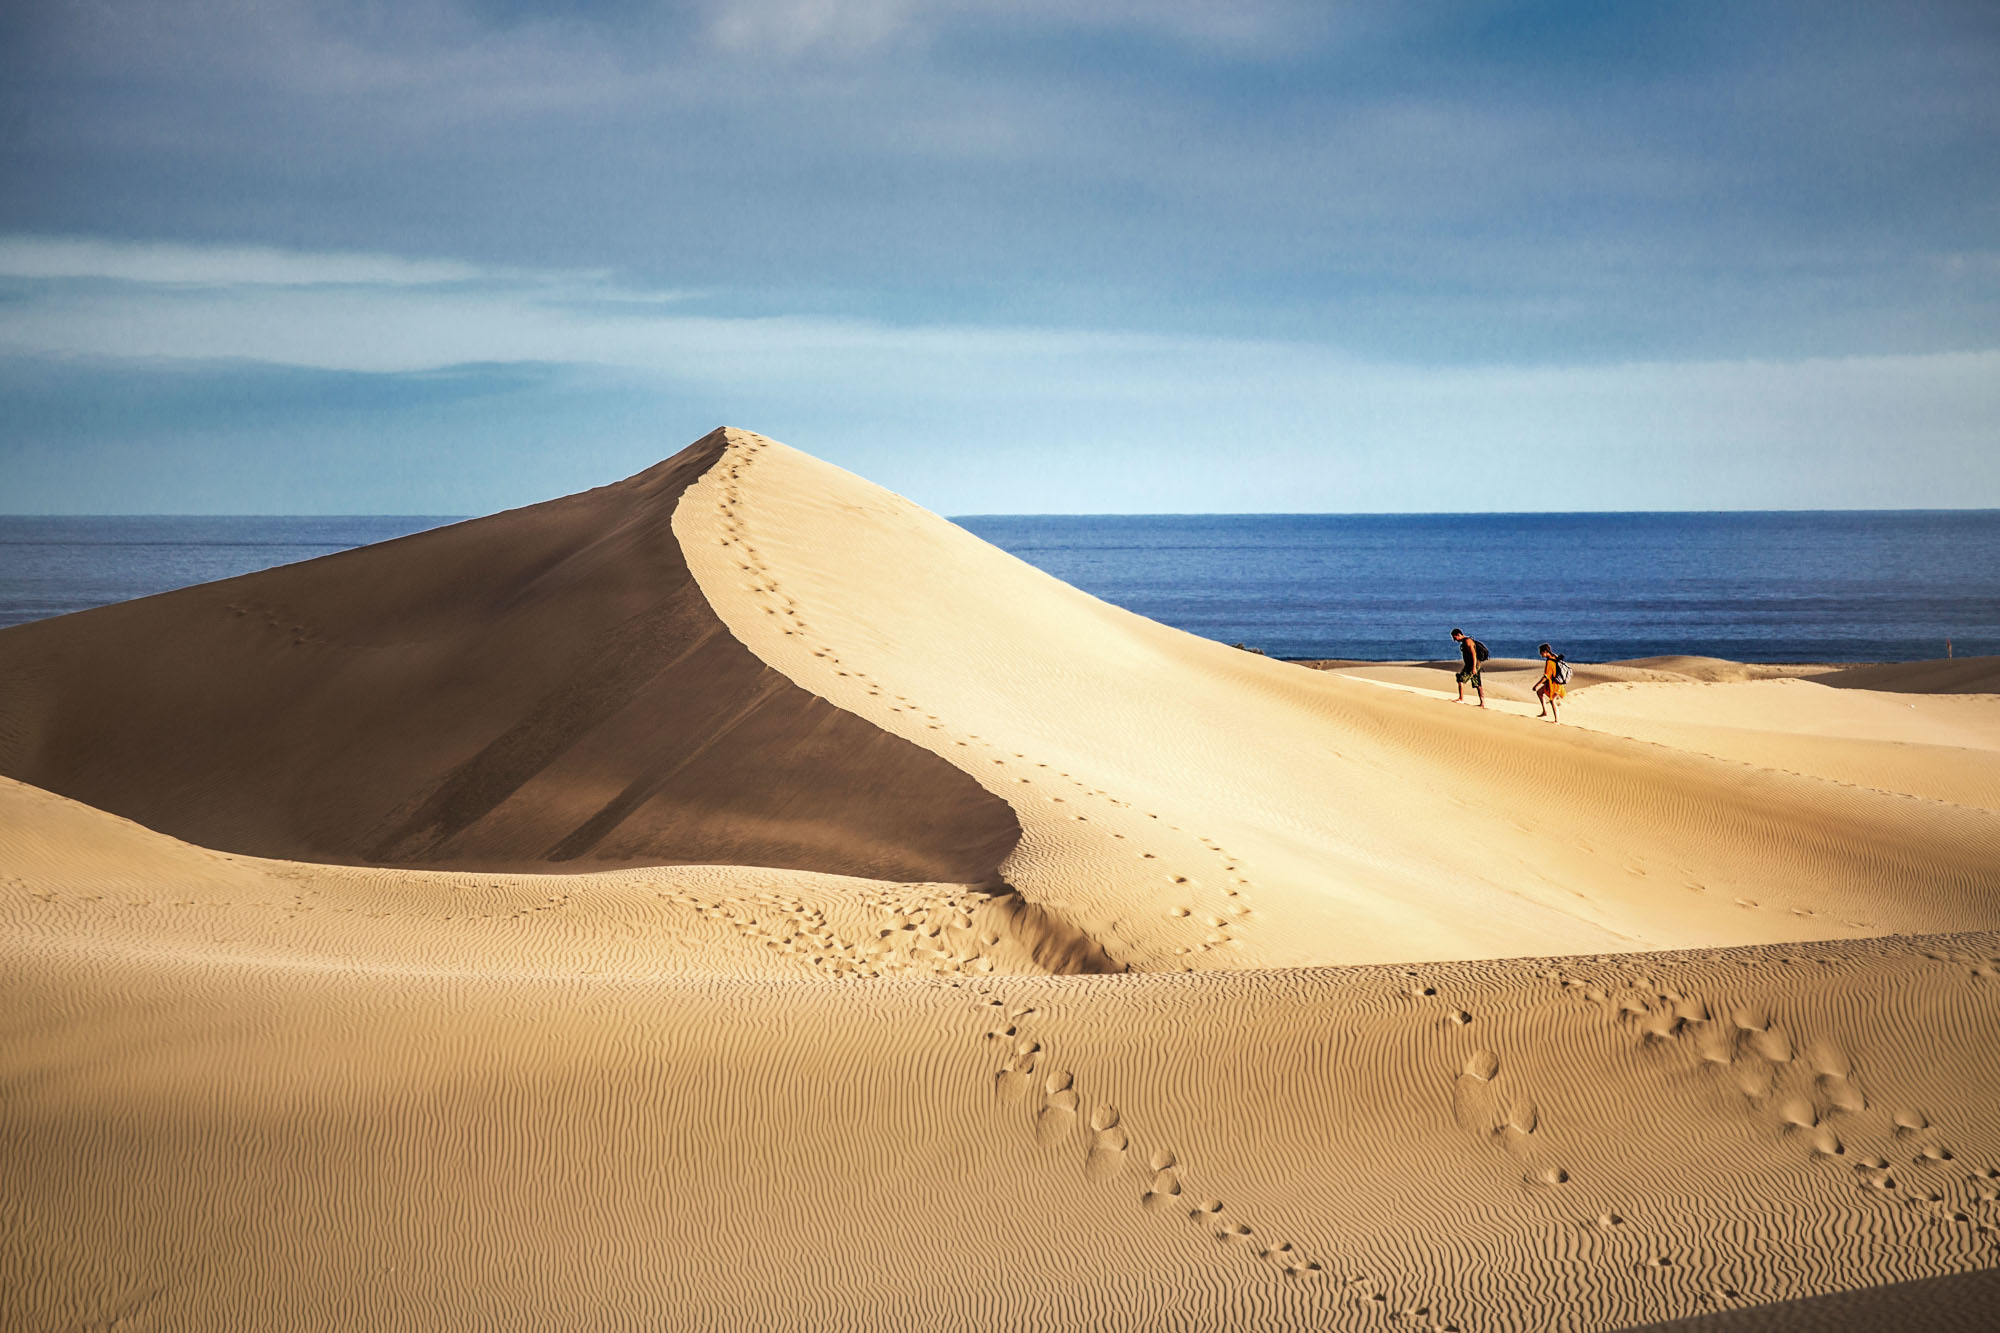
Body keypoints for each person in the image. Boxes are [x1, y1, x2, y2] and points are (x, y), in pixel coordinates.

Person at [1450, 628, 1487, 707]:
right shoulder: (1466, 641)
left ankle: (1461, 699)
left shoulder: (1467, 641)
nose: (1454, 640)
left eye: (1455, 637)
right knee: (1477, 684)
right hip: (1475, 665)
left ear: (1459, 635)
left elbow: (1474, 654)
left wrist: (1473, 667)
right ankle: (1482, 703)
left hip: (1472, 665)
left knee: (1461, 679)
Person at [1535, 642, 1568, 722]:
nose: (1541, 655)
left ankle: (1557, 720)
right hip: (1552, 683)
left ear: (1546, 652)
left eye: (1541, 653)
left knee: (1552, 700)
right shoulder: (1555, 656)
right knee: (1540, 692)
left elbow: (1546, 676)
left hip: (1555, 684)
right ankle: (1545, 712)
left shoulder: (1549, 662)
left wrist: (1536, 685)